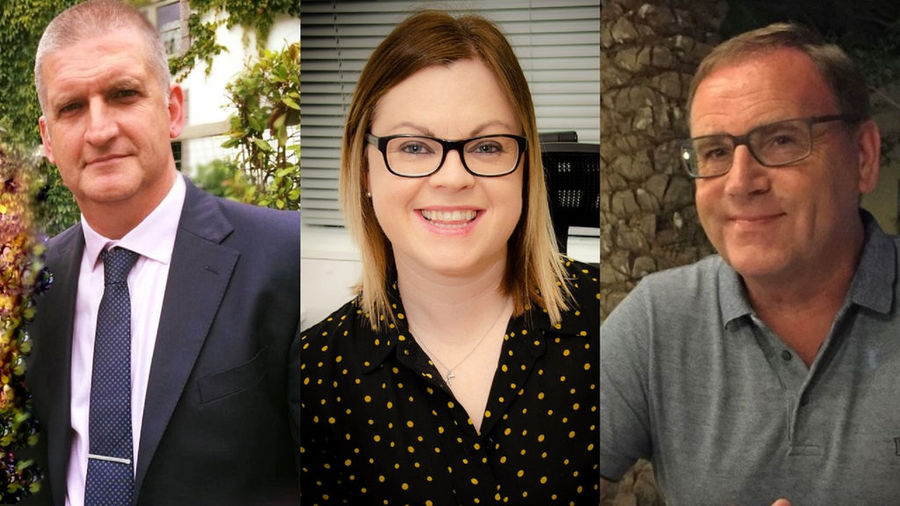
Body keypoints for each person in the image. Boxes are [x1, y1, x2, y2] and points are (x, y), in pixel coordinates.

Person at [299, 10, 599, 505]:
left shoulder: (615, 320)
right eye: (414, 146)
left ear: (524, 168)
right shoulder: (311, 379)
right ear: (366, 171)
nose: (453, 177)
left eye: (486, 146)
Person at [600, 22, 900, 505]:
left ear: (862, 156)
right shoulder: (659, 318)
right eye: (715, 152)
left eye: (781, 140)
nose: (741, 182)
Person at [23, 1, 300, 504]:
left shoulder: (285, 258)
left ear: (173, 110)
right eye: (71, 107)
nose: (100, 130)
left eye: (123, 94)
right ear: (48, 138)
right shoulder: (29, 285)